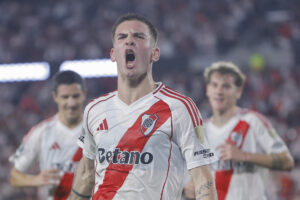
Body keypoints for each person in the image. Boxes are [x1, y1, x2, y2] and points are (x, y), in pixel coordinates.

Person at [71, 13, 218, 200]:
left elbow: (203, 181)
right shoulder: (94, 110)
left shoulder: (179, 108)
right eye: (122, 37)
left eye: (138, 37)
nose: (129, 42)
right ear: (113, 54)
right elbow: (86, 174)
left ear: (154, 54)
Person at [184, 61, 294, 200]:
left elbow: (286, 161)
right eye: (214, 85)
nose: (219, 91)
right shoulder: (200, 132)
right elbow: (191, 179)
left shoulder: (253, 121)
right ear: (207, 89)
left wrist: (244, 156)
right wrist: (187, 188)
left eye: (226, 86)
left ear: (238, 91)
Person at [9, 70, 87, 200]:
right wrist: (35, 180)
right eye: (65, 97)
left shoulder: (98, 131)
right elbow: (14, 176)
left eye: (75, 96)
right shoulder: (40, 132)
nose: (71, 103)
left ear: (84, 95)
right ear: (55, 97)